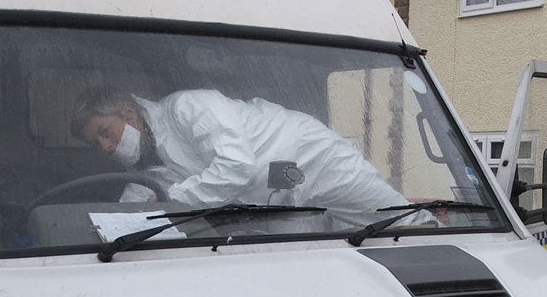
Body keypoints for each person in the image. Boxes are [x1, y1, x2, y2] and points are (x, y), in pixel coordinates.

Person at [69, 87, 406, 225]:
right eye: (96, 144)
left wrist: (172, 199)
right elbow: (139, 206)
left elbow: (236, 166)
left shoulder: (187, 108)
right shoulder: (151, 162)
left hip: (313, 159)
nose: (106, 147)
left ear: (128, 113)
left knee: (397, 221)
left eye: (105, 131)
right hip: (276, 200)